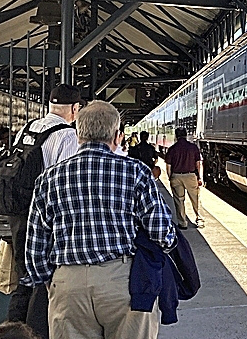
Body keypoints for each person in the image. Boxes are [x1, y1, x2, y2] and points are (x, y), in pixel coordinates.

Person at [24, 101, 175, 339]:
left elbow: (35, 247)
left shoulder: (49, 178)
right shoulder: (136, 171)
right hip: (123, 283)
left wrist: (51, 281)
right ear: (117, 136)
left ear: (78, 135)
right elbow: (161, 232)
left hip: (68, 284)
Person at [7, 84, 83, 339]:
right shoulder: (68, 136)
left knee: (23, 275)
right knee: (43, 280)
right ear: (74, 109)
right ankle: (35, 333)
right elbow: (67, 183)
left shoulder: (26, 129)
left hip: (17, 212)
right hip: (44, 216)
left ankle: (11, 329)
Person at [165, 127, 204, 229]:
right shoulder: (193, 148)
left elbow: (168, 166)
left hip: (176, 176)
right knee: (195, 199)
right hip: (191, 176)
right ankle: (199, 220)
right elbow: (198, 164)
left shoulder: (172, 149)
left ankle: (182, 223)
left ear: (176, 136)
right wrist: (200, 177)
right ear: (186, 135)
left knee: (179, 200)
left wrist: (170, 177)